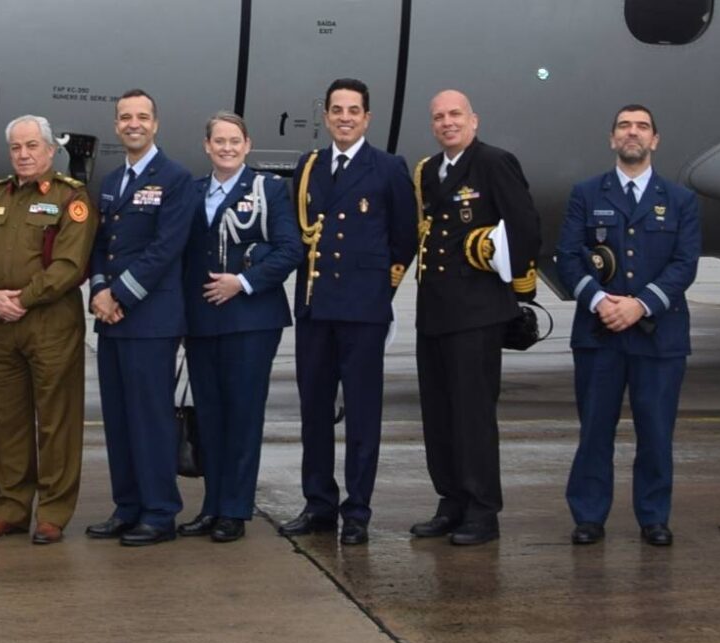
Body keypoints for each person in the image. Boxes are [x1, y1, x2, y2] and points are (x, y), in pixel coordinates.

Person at [279, 78, 419, 547]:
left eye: (353, 111)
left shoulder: (388, 168)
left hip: (362, 311)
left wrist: (382, 289)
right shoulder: (310, 166)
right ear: (325, 116)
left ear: (367, 118)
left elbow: (404, 236)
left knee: (362, 416)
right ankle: (319, 503)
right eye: (336, 110)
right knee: (314, 412)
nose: (344, 118)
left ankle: (356, 510)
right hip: (317, 310)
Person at [555, 104, 698, 548]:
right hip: (600, 336)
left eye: (641, 127)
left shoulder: (679, 200)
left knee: (655, 432)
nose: (632, 133)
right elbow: (568, 256)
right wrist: (600, 302)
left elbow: (684, 263)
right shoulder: (586, 194)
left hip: (658, 336)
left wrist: (641, 306)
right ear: (611, 138)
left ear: (655, 140)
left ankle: (654, 516)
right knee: (595, 430)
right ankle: (589, 516)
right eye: (623, 126)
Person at [410, 89, 540, 546]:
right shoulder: (427, 171)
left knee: (473, 417)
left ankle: (483, 510)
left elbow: (524, 227)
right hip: (435, 312)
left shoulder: (493, 163)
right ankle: (451, 501)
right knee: (439, 416)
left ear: (474, 121)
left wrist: (515, 283)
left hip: (478, 313)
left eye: (455, 115)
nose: (447, 123)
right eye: (439, 117)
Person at [0, 115, 97, 544]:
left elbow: (70, 266)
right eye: (16, 147)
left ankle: (53, 512)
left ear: (50, 150)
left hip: (50, 323)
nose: (23, 154)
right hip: (0, 323)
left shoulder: (69, 198)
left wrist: (21, 298)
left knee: (56, 421)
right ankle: (11, 508)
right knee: (9, 421)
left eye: (32, 146)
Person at [180, 113, 303, 543]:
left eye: (235, 141)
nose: (227, 148)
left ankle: (235, 509)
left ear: (248, 145)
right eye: (219, 141)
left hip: (251, 321)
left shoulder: (267, 189)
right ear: (207, 146)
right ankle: (212, 506)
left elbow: (291, 250)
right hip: (203, 321)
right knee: (209, 418)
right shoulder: (193, 193)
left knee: (242, 416)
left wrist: (243, 282)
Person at [86, 90, 199, 547]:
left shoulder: (176, 179)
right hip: (111, 318)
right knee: (118, 417)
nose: (133, 124)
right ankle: (127, 505)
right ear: (117, 125)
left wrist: (119, 295)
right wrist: (97, 290)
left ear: (156, 124)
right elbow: (99, 244)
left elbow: (165, 248)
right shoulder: (112, 180)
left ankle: (159, 511)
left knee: (150, 417)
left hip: (150, 318)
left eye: (142, 117)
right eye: (125, 117)